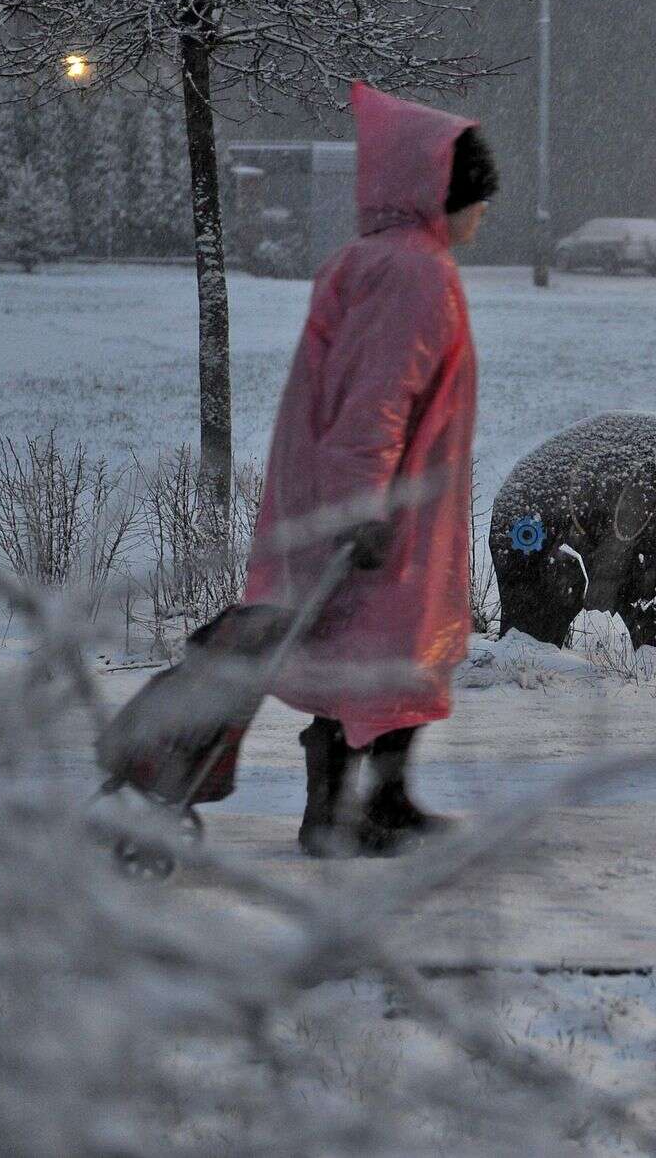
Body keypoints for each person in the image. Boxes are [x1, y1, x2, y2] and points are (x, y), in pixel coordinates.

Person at [244, 82, 497, 856]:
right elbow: (375, 404)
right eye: (477, 199)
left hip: (362, 496)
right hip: (385, 505)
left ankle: (362, 804)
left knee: (364, 649)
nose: (483, 216)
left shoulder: (367, 261)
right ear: (438, 194)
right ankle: (365, 812)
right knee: (390, 648)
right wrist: (363, 508)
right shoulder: (413, 273)